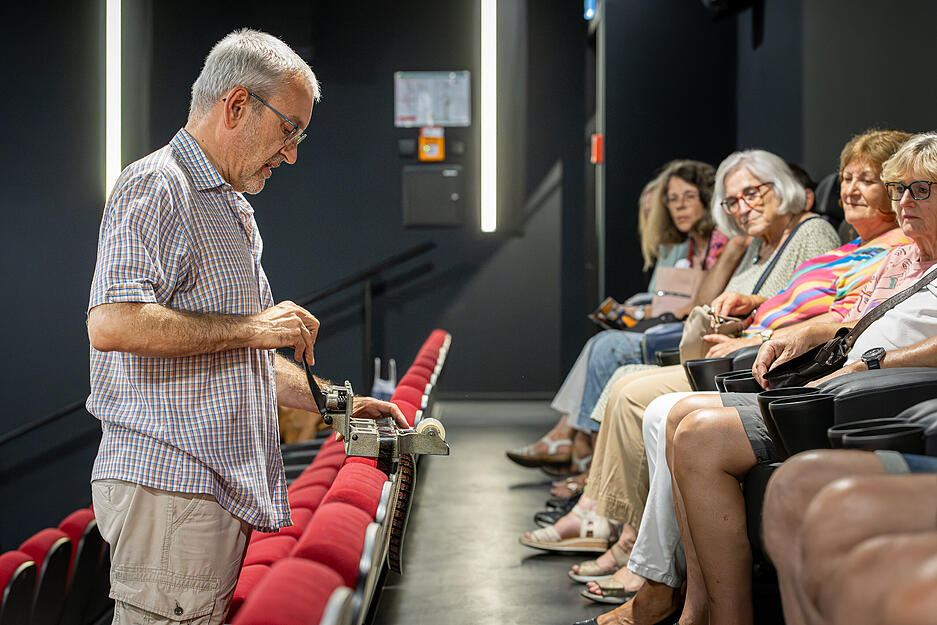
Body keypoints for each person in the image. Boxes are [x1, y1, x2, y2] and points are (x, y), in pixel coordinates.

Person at [85, 30, 406, 625]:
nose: (291, 153)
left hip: (202, 490)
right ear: (236, 106)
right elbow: (112, 322)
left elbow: (246, 356)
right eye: (289, 130)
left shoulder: (226, 204)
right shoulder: (157, 184)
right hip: (170, 486)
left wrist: (340, 405)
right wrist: (255, 326)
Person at [665, 131, 937, 625]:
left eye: (920, 189)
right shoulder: (913, 260)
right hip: (840, 381)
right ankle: (698, 607)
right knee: (681, 413)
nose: (903, 202)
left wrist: (877, 363)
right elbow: (856, 317)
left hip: (877, 397)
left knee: (701, 432)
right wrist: (812, 330)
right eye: (899, 189)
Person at [522, 151, 841, 561]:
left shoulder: (812, 233)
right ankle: (603, 513)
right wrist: (736, 254)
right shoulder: (756, 244)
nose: (743, 208)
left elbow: (806, 310)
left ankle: (611, 524)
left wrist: (746, 329)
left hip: (751, 365)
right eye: (732, 202)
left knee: (629, 386)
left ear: (784, 190)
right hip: (722, 354)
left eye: (752, 194)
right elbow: (703, 305)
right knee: (622, 379)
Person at [507, 160, 726, 485]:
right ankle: (579, 451)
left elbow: (700, 305)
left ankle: (580, 453)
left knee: (606, 347)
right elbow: (671, 298)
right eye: (673, 199)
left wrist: (646, 312)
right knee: (602, 344)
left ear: (707, 198)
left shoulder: (722, 242)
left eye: (688, 197)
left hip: (691, 335)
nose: (678, 206)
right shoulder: (691, 243)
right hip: (669, 326)